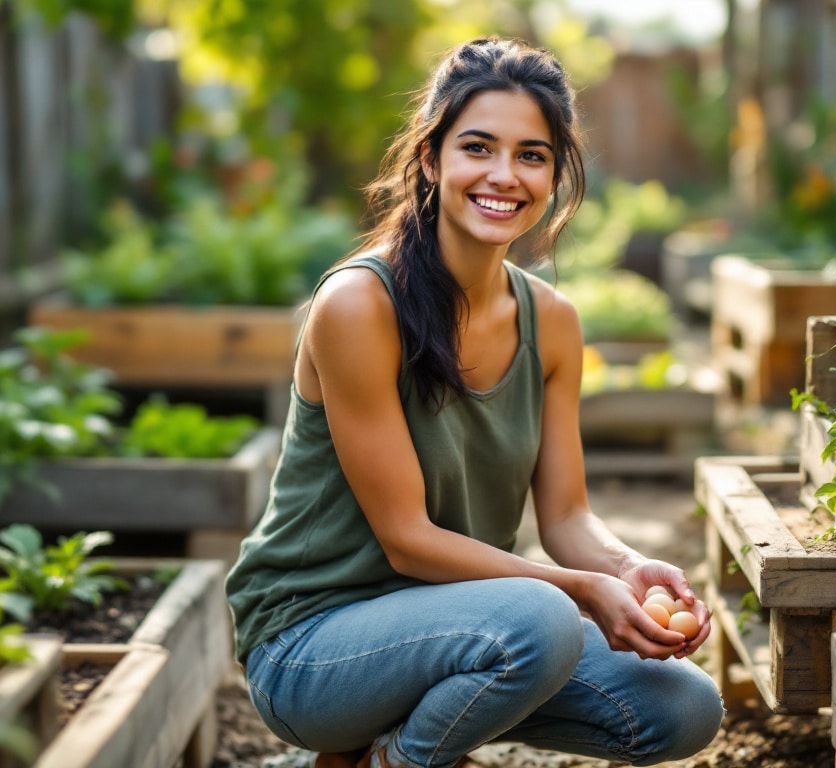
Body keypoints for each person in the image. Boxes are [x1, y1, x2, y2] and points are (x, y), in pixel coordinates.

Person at [225, 36, 724, 768]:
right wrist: (581, 591)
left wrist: (625, 569)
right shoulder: (360, 305)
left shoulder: (551, 321)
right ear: (430, 160)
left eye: (532, 155)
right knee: (544, 618)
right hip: (310, 643)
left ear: (556, 173)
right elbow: (406, 537)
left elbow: (566, 516)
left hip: (467, 623)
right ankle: (392, 761)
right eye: (478, 147)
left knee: (681, 706)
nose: (504, 175)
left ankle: (390, 746)